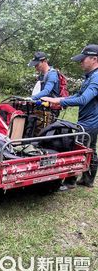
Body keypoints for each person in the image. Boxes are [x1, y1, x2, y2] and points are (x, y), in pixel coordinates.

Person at [42, 44, 98, 188]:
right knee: (90, 148)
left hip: (90, 122)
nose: (81, 62)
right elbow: (79, 95)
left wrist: (56, 100)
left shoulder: (96, 77)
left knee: (77, 148)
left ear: (94, 59)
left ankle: (70, 182)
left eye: (83, 59)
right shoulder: (90, 77)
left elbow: (83, 99)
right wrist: (60, 100)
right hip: (88, 119)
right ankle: (87, 180)